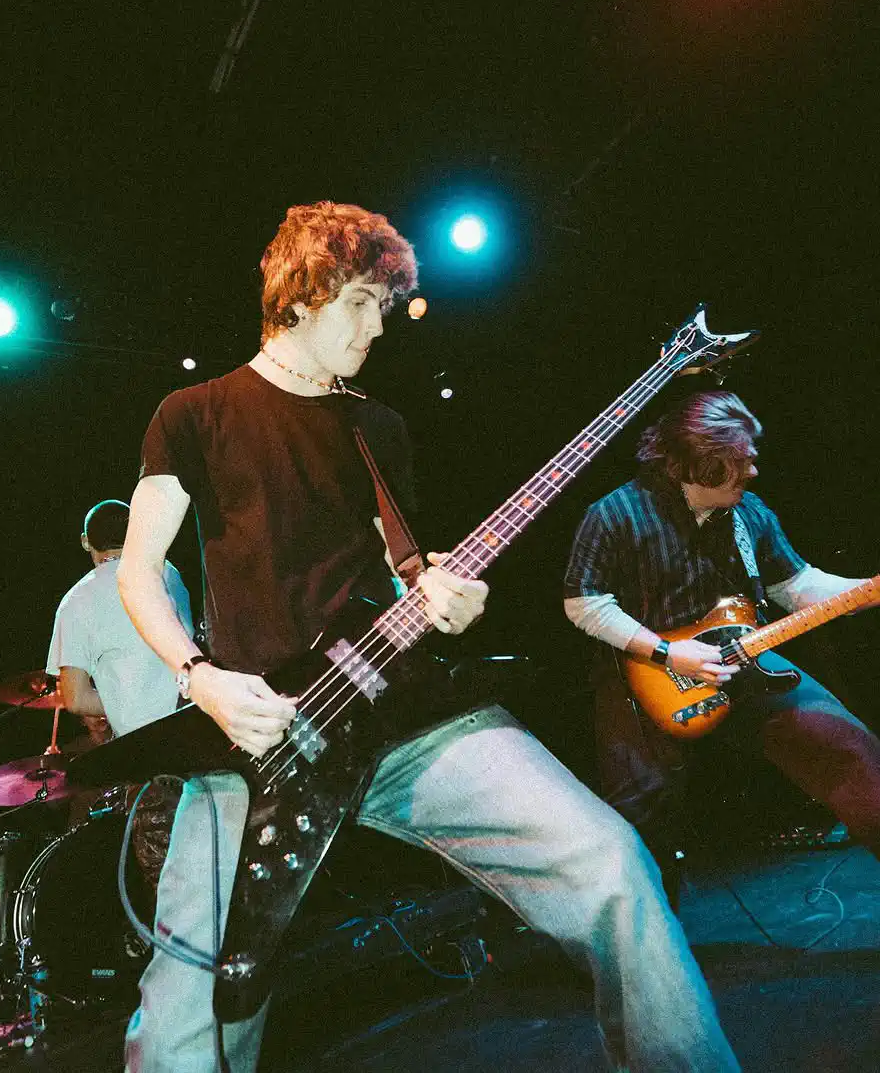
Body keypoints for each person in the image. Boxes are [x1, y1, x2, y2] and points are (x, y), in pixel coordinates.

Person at [117, 201, 741, 1073]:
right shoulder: (196, 413)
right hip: (260, 738)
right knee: (188, 1012)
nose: (378, 326)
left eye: (383, 306)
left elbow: (403, 565)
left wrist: (444, 594)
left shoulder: (377, 427)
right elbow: (138, 571)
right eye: (360, 303)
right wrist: (201, 677)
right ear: (301, 294)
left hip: (403, 714)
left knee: (609, 862)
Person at [564, 390, 880, 883]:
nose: (753, 471)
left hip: (744, 659)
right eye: (740, 461)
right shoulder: (616, 513)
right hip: (645, 679)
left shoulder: (749, 512)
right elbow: (584, 603)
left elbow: (796, 586)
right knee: (638, 821)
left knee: (853, 754)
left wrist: (868, 590)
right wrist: (666, 652)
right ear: (702, 463)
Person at [46, 499, 194, 739]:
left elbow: (75, 699)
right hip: (193, 720)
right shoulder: (167, 571)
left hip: (142, 743)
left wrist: (122, 706)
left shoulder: (75, 600)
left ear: (85, 541)